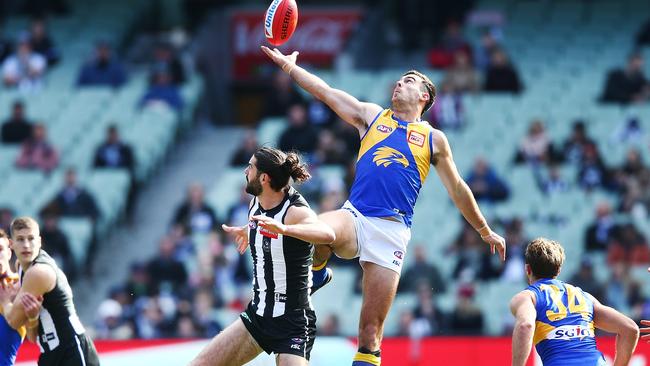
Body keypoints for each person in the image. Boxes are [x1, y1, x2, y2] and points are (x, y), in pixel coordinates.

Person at [261, 46, 506, 366]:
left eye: (408, 81)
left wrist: (485, 231)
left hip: (391, 233)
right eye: (399, 80)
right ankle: (319, 272)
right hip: (356, 216)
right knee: (316, 228)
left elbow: (458, 189)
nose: (399, 84)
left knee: (370, 333)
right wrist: (290, 68)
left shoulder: (434, 139)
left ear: (424, 96)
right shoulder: (372, 115)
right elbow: (325, 92)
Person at [189, 147, 335, 366]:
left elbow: (327, 234)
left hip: (293, 323)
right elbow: (267, 227)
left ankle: (318, 275)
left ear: (264, 178)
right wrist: (249, 232)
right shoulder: (255, 202)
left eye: (250, 167)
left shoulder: (294, 211)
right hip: (257, 316)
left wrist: (285, 229)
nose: (245, 171)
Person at [510, 238, 639, 366]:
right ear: (558, 270)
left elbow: (525, 326)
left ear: (527, 269)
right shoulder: (584, 297)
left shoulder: (528, 297)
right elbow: (630, 329)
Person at [1, 217, 100, 366]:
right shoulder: (21, 267)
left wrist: (4, 301)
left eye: (31, 239)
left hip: (71, 348)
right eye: (20, 239)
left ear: (40, 242)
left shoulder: (38, 272)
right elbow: (33, 337)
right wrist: (33, 318)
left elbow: (14, 322)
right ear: (13, 244)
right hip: (49, 351)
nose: (26, 245)